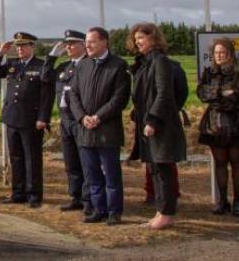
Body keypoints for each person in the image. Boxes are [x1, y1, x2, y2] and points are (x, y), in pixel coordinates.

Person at [68, 27, 131, 225]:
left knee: (111, 174)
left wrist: (98, 117)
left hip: (106, 130)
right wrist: (82, 117)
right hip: (85, 130)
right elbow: (73, 95)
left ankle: (114, 211)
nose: (87, 45)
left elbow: (119, 98)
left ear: (104, 42)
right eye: (86, 41)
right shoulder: (82, 65)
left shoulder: (118, 66)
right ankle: (99, 209)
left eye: (92, 41)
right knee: (92, 174)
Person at [127, 22, 187, 230]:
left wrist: (153, 120)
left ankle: (167, 214)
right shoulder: (145, 63)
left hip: (161, 125)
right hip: (147, 123)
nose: (138, 42)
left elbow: (164, 94)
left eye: (142, 38)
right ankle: (160, 211)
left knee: (163, 169)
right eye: (136, 39)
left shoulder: (160, 61)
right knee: (154, 168)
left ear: (153, 38)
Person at [0, 32, 55, 208]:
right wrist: (0, 54)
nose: (19, 49)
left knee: (32, 159)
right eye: (17, 47)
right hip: (12, 118)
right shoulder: (12, 64)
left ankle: (34, 195)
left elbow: (47, 95)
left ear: (31, 47)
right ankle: (17, 193)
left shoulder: (41, 66)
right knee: (16, 158)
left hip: (31, 119)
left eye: (23, 46)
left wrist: (43, 118)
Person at [43, 29, 92, 213]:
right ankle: (76, 196)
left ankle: (89, 200)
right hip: (65, 120)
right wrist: (52, 56)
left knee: (85, 162)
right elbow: (45, 77)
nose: (68, 47)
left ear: (83, 45)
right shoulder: (65, 67)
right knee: (71, 163)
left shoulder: (88, 65)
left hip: (80, 119)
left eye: (72, 44)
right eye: (66, 44)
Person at [197, 36, 239, 216]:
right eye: (216, 53)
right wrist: (221, 92)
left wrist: (218, 96)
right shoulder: (208, 72)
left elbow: (238, 97)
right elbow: (201, 93)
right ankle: (222, 201)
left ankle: (238, 202)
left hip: (237, 123)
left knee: (237, 163)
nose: (219, 55)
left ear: (230, 53)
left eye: (222, 52)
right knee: (220, 163)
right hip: (214, 122)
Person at [142, 58, 188, 205]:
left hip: (164, 119)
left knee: (165, 162)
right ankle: (153, 193)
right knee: (151, 159)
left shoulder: (173, 67)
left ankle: (168, 197)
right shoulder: (145, 65)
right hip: (147, 118)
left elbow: (181, 92)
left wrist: (171, 110)